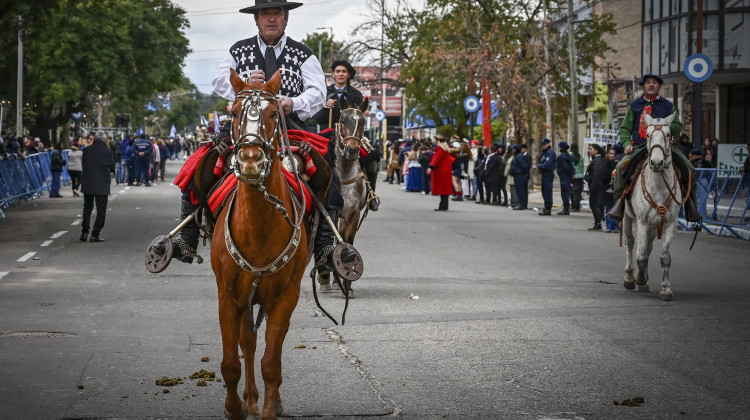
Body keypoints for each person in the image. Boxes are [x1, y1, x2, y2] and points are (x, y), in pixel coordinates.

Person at [158, 0, 353, 274]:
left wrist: (292, 102)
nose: (271, 19)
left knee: (324, 169)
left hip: (288, 126)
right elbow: (218, 81)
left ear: (285, 19)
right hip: (244, 125)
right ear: (256, 19)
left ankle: (324, 245)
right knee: (199, 164)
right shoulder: (239, 49)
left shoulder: (304, 53)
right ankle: (186, 236)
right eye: (265, 14)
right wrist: (245, 82)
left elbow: (319, 92)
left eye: (277, 13)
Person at [610, 73, 700, 222]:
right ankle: (619, 204)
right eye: (648, 83)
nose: (651, 85)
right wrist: (627, 145)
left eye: (654, 83)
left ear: (659, 86)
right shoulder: (634, 106)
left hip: (665, 147)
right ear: (643, 86)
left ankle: (691, 207)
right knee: (620, 168)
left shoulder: (667, 105)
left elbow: (678, 125)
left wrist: (665, 130)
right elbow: (625, 129)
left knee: (689, 168)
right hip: (639, 146)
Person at [80, 133, 115, 242]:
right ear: (105, 140)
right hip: (102, 184)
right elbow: (112, 167)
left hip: (88, 182)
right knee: (101, 210)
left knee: (87, 207)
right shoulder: (108, 152)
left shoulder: (86, 151)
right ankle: (95, 233)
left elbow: (84, 164)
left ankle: (85, 231)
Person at [313, 60, 363, 129]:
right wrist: (326, 107)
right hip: (328, 135)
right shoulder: (324, 93)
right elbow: (318, 120)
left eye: (344, 71)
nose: (341, 74)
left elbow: (359, 119)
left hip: (348, 136)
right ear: (333, 74)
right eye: (338, 71)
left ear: (348, 75)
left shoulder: (356, 95)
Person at [584, 144, 609, 231]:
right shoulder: (597, 160)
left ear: (596, 150)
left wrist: (590, 181)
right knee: (596, 205)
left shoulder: (597, 161)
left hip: (596, 187)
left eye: (591, 149)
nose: (589, 151)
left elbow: (596, 175)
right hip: (597, 186)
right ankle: (597, 222)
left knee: (594, 205)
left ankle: (598, 223)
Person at [429, 135, 455, 211]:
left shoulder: (440, 149)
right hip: (446, 170)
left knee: (442, 189)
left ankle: (442, 206)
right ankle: (443, 205)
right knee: (445, 190)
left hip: (440, 171)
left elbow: (436, 158)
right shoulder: (446, 149)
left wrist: (431, 166)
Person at [536, 138, 557, 215]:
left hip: (548, 173)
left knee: (547, 191)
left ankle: (548, 208)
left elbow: (548, 164)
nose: (543, 146)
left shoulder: (550, 153)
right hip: (544, 174)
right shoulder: (544, 153)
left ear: (548, 144)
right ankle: (546, 206)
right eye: (542, 144)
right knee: (544, 191)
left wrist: (539, 166)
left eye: (544, 144)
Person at [556, 141, 575, 215]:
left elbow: (565, 167)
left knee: (564, 193)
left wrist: (559, 171)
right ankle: (566, 208)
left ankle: (566, 208)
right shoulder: (567, 155)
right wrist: (572, 173)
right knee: (567, 192)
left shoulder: (562, 156)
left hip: (564, 176)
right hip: (567, 176)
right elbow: (571, 166)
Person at [603, 147, 619, 233]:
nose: (612, 155)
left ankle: (616, 227)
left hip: (615, 188)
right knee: (608, 207)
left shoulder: (617, 164)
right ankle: (609, 226)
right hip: (607, 188)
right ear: (607, 154)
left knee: (615, 207)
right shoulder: (604, 164)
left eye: (613, 154)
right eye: (610, 153)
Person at [510, 144, 529, 210]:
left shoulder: (519, 156)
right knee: (518, 190)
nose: (512, 150)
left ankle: (522, 204)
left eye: (513, 149)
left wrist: (519, 171)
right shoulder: (516, 156)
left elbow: (524, 166)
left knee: (520, 190)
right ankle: (520, 204)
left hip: (520, 176)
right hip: (517, 175)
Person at [570, 142, 584, 212]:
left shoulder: (569, 154)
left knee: (572, 191)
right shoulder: (581, 155)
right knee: (578, 192)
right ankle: (577, 206)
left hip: (573, 176)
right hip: (580, 176)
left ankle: (574, 206)